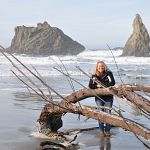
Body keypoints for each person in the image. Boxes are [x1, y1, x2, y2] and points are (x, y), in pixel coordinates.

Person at [88, 61, 115, 137]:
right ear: (97, 67)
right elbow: (90, 85)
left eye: (102, 66)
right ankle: (101, 131)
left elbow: (112, 82)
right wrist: (97, 86)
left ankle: (107, 130)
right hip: (99, 98)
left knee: (108, 114)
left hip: (109, 97)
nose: (101, 67)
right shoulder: (94, 75)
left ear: (104, 66)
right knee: (100, 114)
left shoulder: (108, 73)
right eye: (99, 66)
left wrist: (102, 85)